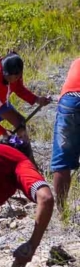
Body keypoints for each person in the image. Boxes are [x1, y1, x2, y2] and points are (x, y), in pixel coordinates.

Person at [51, 58, 80, 212]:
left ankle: (62, 211)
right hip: (71, 100)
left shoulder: (77, 62)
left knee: (62, 160)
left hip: (70, 101)